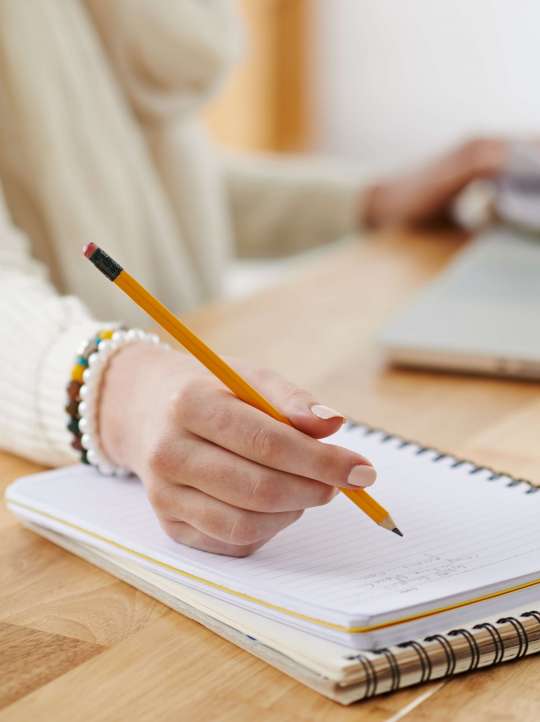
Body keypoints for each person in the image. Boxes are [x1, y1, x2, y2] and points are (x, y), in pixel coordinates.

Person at [0, 1, 509, 556]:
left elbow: (133, 180)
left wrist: (371, 201)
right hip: (52, 483)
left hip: (172, 405)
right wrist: (120, 393)